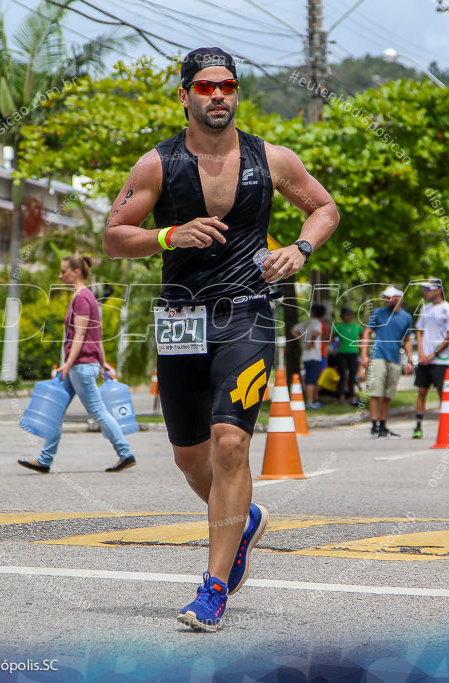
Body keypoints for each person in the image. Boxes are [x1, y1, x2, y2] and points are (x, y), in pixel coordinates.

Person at [101, 46, 339, 632]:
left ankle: (213, 585)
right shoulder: (156, 165)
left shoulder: (273, 159)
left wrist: (298, 248)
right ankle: (245, 519)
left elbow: (325, 209)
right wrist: (169, 236)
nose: (218, 96)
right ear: (184, 95)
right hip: (181, 319)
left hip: (249, 315)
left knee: (230, 442)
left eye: (227, 86)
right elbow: (113, 237)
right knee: (190, 457)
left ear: (237, 94)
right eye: (205, 87)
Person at [17, 255, 136, 474]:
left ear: (76, 272)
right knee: (57, 411)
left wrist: (67, 364)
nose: (60, 275)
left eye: (63, 271)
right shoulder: (88, 297)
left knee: (98, 412)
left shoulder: (82, 298)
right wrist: (102, 363)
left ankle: (125, 453)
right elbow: (96, 337)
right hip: (82, 365)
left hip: (79, 366)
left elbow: (80, 335)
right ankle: (44, 460)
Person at [360, 286, 413, 439]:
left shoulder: (406, 317)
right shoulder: (378, 313)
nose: (387, 299)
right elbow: (367, 332)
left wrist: (409, 360)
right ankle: (374, 426)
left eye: (390, 297)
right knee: (376, 391)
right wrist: (364, 355)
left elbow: (407, 339)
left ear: (399, 297)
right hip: (378, 356)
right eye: (386, 297)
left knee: (389, 393)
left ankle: (383, 425)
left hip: (395, 358)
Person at [412, 278, 449, 439]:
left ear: (438, 290)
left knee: (442, 392)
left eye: (429, 289)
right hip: (424, 359)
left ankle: (448, 425)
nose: (426, 293)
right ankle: (418, 426)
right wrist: (422, 353)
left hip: (440, 360)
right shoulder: (425, 309)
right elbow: (419, 331)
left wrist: (433, 354)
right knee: (422, 391)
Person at [292, 303, 327, 409]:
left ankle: (311, 400)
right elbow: (315, 333)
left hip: (306, 355)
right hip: (314, 355)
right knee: (311, 380)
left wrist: (302, 340)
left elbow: (293, 330)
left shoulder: (306, 322)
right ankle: (309, 401)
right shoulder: (318, 323)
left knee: (310, 378)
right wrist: (311, 343)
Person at [332, 306, 361, 405]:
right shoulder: (339, 326)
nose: (348, 316)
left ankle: (351, 395)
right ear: (342, 316)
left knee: (353, 375)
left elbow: (362, 335)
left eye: (350, 314)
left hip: (353, 353)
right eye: (346, 314)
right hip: (342, 353)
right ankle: (342, 395)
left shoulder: (356, 327)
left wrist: (360, 344)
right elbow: (330, 335)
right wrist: (336, 342)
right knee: (343, 375)